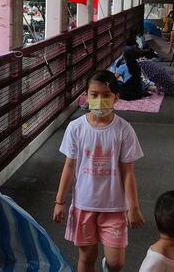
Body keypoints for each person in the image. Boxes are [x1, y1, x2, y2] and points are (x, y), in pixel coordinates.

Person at [54, 70, 146, 272]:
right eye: (94, 95)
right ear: (86, 96)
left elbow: (128, 172)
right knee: (87, 258)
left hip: (114, 207)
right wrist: (60, 201)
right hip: (84, 205)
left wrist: (134, 208)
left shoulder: (124, 130)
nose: (100, 100)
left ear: (116, 98)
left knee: (116, 263)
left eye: (106, 95)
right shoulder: (75, 128)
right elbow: (69, 166)